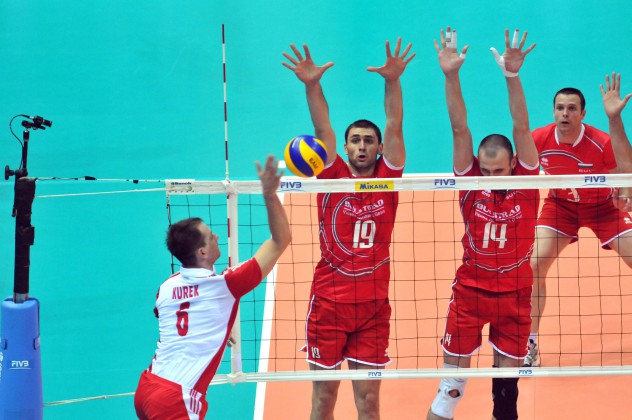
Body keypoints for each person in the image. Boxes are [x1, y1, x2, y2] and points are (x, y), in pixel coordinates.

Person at [282, 38, 414, 419]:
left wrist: (392, 81)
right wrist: (312, 85)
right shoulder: (331, 173)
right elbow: (321, 125)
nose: (361, 146)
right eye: (354, 140)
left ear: (379, 149)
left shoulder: (388, 177)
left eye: (368, 141)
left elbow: (394, 124)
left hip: (373, 308)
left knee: (369, 403)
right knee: (324, 401)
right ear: (344, 147)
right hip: (328, 305)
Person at [427, 28, 538, 420]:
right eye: (485, 170)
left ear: (514, 165)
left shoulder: (527, 181)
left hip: (516, 291)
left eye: (499, 171)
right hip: (471, 291)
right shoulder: (470, 181)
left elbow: (521, 127)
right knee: (448, 393)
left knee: (507, 399)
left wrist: (512, 75)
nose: (491, 177)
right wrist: (450, 75)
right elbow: (459, 128)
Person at [134, 155, 291, 420]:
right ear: (203, 252)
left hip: (148, 387)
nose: (217, 235)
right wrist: (268, 194)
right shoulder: (226, 285)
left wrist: (212, 324)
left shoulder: (166, 288)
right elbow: (280, 241)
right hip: (177, 399)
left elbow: (171, 316)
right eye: (210, 236)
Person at [525, 73, 632, 367]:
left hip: (604, 208)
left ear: (583, 114)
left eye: (572, 108)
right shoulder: (539, 139)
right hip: (561, 207)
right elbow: (517, 170)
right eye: (560, 108)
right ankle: (529, 343)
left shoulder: (600, 142)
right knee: (533, 265)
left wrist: (625, 193)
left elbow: (627, 166)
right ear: (553, 112)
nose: (565, 114)